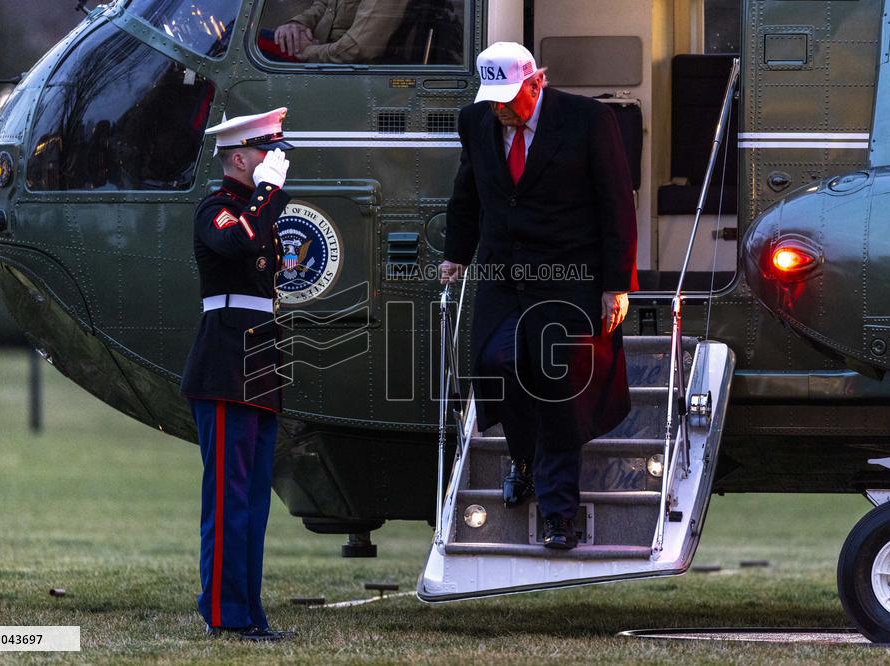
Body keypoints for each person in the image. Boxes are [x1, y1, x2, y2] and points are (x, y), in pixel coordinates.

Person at [439, 42, 638, 550]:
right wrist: (456, 254)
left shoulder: (589, 121)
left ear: (537, 82)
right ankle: (523, 458)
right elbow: (468, 190)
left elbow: (617, 204)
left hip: (569, 277)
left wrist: (617, 285)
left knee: (557, 388)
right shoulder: (477, 121)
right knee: (496, 365)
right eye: (493, 99)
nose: (501, 110)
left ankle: (557, 513)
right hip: (503, 276)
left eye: (509, 98)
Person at [179, 108, 295, 641]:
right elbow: (237, 242)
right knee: (228, 497)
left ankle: (249, 611)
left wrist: (266, 198)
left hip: (258, 362)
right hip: (225, 361)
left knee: (251, 499)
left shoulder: (254, 207)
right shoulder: (218, 208)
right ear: (241, 157)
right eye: (268, 152)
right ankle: (225, 613)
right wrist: (268, 195)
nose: (277, 160)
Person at [266, 0, 409, 63]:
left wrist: (308, 51)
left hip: (349, 69)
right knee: (262, 41)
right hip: (321, 55)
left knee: (258, 47)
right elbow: (323, 5)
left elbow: (357, 49)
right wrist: (297, 24)